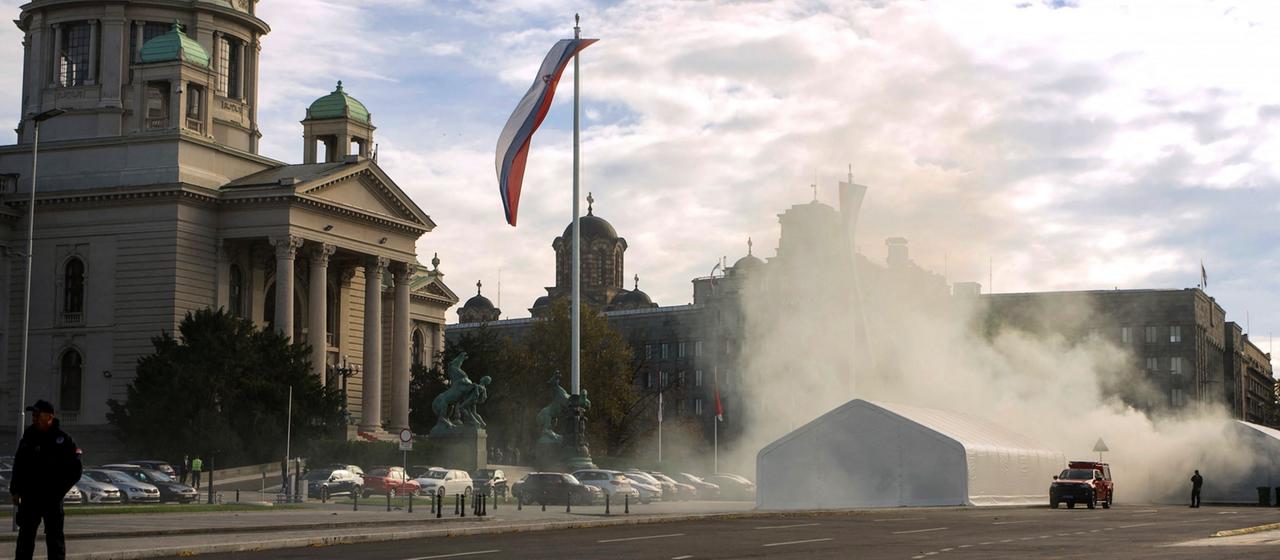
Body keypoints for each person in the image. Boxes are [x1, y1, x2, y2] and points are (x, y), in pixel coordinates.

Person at [9, 399, 82, 560]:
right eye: (33, 415)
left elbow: (76, 470)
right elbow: (19, 464)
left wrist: (58, 491)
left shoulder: (62, 440)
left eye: (37, 414)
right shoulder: (29, 436)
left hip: (51, 499)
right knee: (25, 540)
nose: (34, 418)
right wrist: (15, 489)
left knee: (55, 540)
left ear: (49, 417)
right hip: (30, 498)